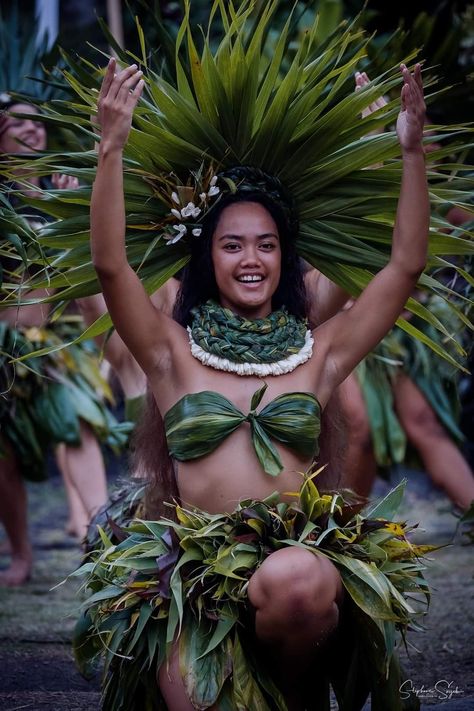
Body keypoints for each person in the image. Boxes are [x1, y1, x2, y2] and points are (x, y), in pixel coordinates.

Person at [75, 57, 430, 711]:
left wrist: (407, 154)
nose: (251, 259)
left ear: (285, 257)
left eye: (266, 245)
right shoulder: (168, 354)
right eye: (232, 244)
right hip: (195, 579)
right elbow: (109, 262)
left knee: (295, 578)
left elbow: (405, 264)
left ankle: (297, 689)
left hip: (293, 567)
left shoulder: (318, 354)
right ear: (209, 258)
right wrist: (111, 149)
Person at [338, 73, 474, 508]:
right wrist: (376, 140)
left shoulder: (436, 186)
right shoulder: (358, 179)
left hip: (404, 331)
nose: (428, 142)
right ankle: (343, 539)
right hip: (354, 323)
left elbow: (457, 229)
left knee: (423, 425)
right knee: (358, 429)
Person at [0, 98, 113, 585]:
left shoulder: (55, 192)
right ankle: (22, 555)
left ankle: (100, 538)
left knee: (78, 422)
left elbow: (83, 281)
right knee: (3, 455)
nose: (34, 131)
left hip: (53, 343)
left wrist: (66, 213)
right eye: (19, 123)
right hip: (4, 345)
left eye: (38, 123)